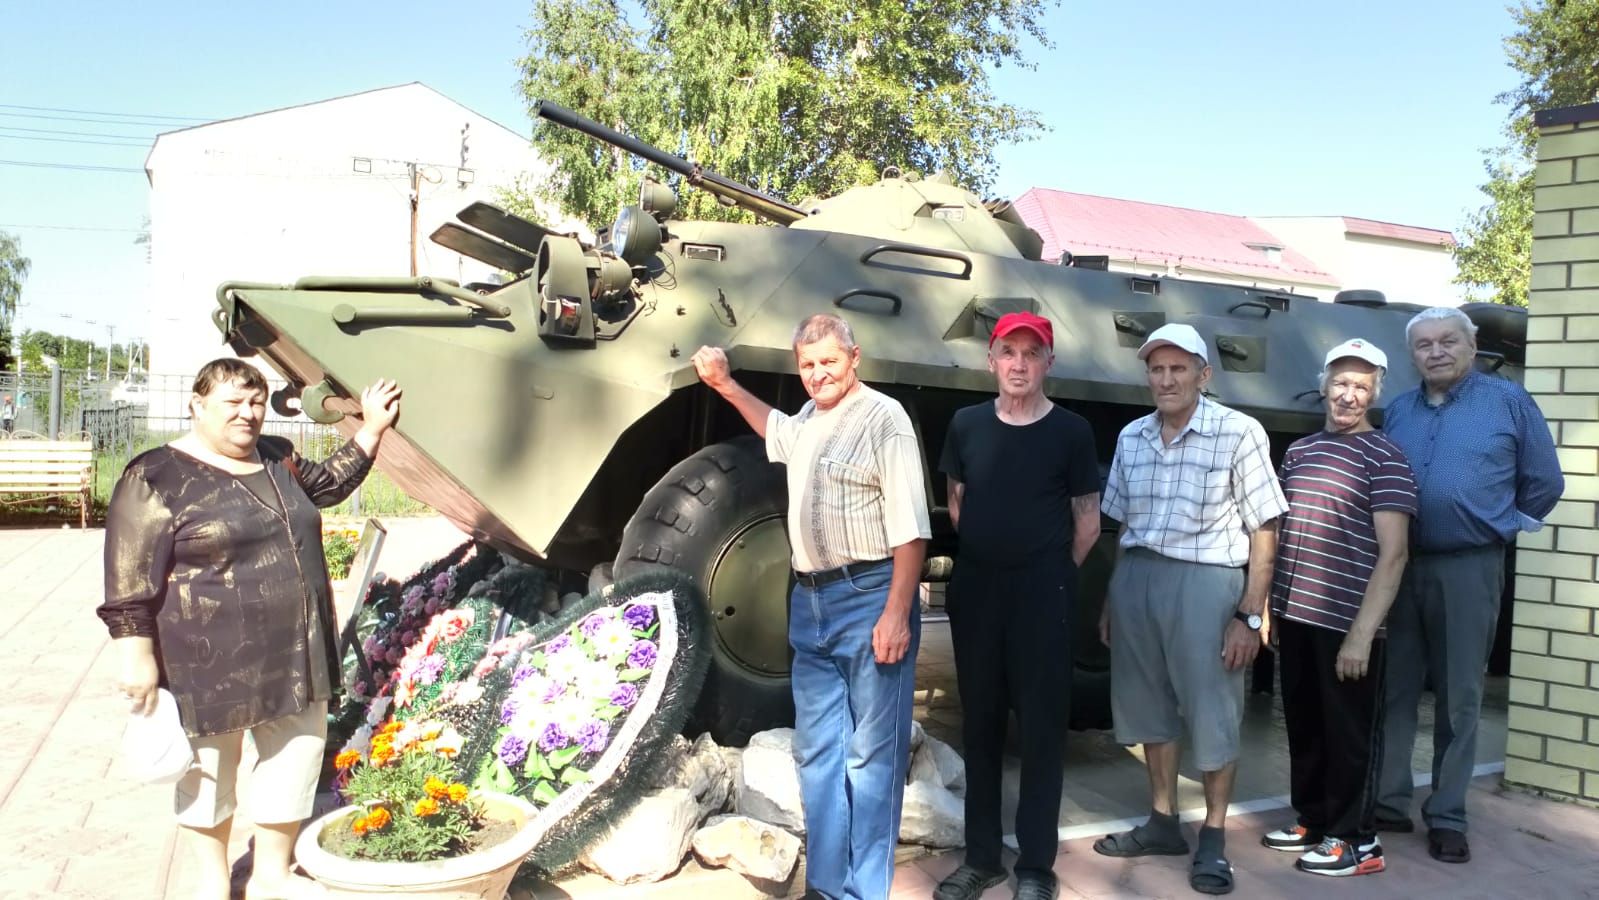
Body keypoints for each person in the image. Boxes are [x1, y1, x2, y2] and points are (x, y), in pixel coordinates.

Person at [98, 357, 401, 900]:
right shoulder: (155, 476)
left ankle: (271, 876)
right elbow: (128, 578)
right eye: (232, 403)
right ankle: (213, 883)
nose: (248, 414)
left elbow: (327, 486)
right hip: (205, 659)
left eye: (256, 402)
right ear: (197, 405)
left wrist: (373, 428)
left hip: (294, 649)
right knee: (208, 774)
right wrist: (135, 656)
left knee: (294, 761)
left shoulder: (277, 457)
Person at [691, 314, 930, 900]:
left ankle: (865, 891)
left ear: (855, 358)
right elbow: (774, 428)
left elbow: (912, 529)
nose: (818, 373)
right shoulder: (809, 419)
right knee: (819, 753)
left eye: (828, 361)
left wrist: (897, 611)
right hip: (812, 603)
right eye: (807, 364)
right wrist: (724, 385)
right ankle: (826, 887)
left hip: (869, 597)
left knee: (872, 758)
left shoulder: (883, 419)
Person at [1092, 322, 1287, 896]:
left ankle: (1214, 835)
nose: (1167, 379)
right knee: (1146, 703)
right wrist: (1112, 597)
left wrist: (1251, 613)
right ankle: (1161, 821)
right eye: (1157, 368)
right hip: (1139, 577)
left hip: (1208, 583)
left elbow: (1264, 526)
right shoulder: (1133, 436)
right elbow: (1123, 524)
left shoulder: (1238, 432)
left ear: (1205, 374)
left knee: (1212, 710)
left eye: (1179, 369)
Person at [1374, 307, 1563, 864]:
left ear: (1471, 344)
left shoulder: (1508, 401)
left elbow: (1544, 480)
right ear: (1412, 354)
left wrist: (1504, 527)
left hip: (1469, 566)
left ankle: (1448, 815)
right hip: (1400, 567)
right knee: (1395, 689)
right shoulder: (1400, 410)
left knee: (1460, 695)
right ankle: (1388, 802)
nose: (1436, 351)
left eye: (1448, 340)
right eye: (1424, 343)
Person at [933, 312, 1099, 900]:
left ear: (1049, 362)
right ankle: (981, 858)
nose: (1020, 364)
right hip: (978, 591)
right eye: (1010, 352)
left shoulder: (1072, 432)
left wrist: (1046, 574)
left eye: (1033, 353)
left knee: (1042, 728)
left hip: (1044, 592)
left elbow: (1087, 521)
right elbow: (959, 502)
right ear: (992, 360)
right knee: (978, 722)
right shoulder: (966, 424)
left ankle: (1035, 866)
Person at [1260, 339, 1416, 878]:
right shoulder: (1300, 452)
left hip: (1348, 621)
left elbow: (1394, 554)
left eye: (1361, 386)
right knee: (1305, 725)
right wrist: (1271, 607)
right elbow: (1283, 534)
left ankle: (1357, 841)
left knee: (1349, 734)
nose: (1348, 395)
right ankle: (1313, 818)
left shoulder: (1387, 456)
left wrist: (1361, 634)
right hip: (1297, 615)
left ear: (1374, 393)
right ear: (1323, 384)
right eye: (1341, 383)